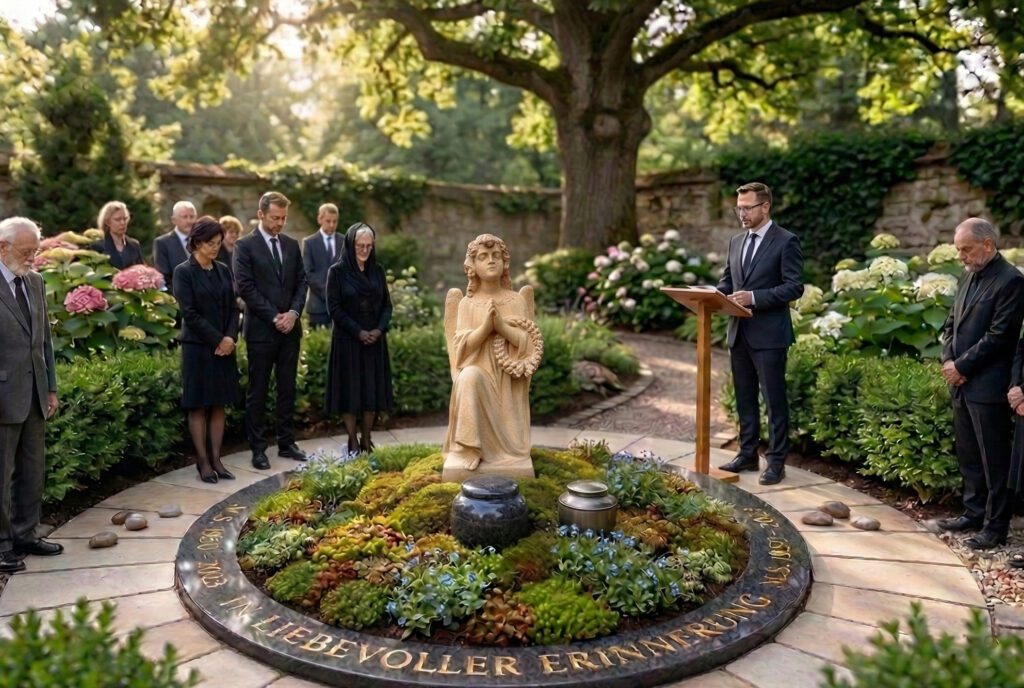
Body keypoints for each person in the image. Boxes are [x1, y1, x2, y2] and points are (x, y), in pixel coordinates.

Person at [939, 217, 1024, 549]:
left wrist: (961, 365)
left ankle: (995, 527)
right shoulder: (967, 272)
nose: (961, 256)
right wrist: (948, 360)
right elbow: (951, 322)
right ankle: (972, 513)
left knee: (994, 460)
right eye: (959, 250)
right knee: (969, 454)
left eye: (966, 249)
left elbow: (1000, 337)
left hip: (988, 384)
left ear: (988, 245)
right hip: (960, 381)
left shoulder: (1012, 281)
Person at [716, 182, 804, 485]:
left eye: (747, 207)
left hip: (769, 336)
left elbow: (794, 287)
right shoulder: (735, 241)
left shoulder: (786, 241)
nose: (742, 213)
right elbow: (729, 281)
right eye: (739, 208)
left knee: (773, 400)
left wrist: (753, 297)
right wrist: (709, 294)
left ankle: (776, 462)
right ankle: (748, 454)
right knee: (744, 398)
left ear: (765, 206)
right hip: (738, 332)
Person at [441, 234, 542, 482]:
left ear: (505, 262)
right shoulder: (467, 304)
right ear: (472, 266)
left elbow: (527, 344)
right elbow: (461, 350)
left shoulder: (515, 301)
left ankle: (507, 451)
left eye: (496, 256)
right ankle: (470, 448)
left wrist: (502, 328)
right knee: (468, 377)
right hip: (480, 376)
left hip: (507, 382)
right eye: (483, 257)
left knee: (472, 378)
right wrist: (486, 328)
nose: (491, 261)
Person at [0, 217, 61, 573]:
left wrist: (50, 386)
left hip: (35, 392)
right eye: (26, 252)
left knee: (32, 470)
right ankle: (2, 545)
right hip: (4, 394)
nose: (32, 258)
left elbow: (44, 342)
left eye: (35, 251)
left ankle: (26, 535)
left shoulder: (35, 282)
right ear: (2, 248)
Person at [233, 191, 308, 469]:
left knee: (287, 388)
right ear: (261, 214)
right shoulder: (245, 246)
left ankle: (287, 443)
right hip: (261, 331)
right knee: (259, 390)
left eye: (284, 218)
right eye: (275, 218)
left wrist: (293, 313)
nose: (279, 223)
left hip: (291, 329)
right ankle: (258, 448)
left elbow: (302, 282)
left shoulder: (290, 245)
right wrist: (274, 316)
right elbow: (245, 287)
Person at [172, 217, 241, 484]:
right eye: (211, 243)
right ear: (197, 242)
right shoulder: (184, 272)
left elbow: (234, 308)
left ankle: (216, 458)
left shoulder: (223, 270)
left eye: (219, 243)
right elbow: (189, 313)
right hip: (199, 348)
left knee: (219, 404)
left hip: (225, 346)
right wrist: (218, 340)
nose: (216, 248)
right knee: (199, 405)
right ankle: (202, 461)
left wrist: (230, 337)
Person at [325, 223, 393, 453]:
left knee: (370, 391)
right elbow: (334, 308)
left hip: (374, 341)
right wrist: (358, 332)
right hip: (348, 341)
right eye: (360, 245)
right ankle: (352, 439)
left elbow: (386, 306)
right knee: (351, 393)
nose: (364, 250)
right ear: (350, 244)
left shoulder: (378, 271)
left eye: (369, 246)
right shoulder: (337, 272)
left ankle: (367, 438)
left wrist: (379, 330)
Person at [303, 203, 343, 328]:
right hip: (318, 307)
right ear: (320, 219)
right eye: (328, 221)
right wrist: (328, 293)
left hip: (342, 307)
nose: (331, 225)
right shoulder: (309, 243)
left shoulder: (344, 241)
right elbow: (308, 273)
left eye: (334, 221)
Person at [153, 201, 196, 296]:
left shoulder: (202, 241)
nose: (189, 221)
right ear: (174, 220)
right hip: (177, 300)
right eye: (184, 217)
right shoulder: (162, 243)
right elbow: (163, 277)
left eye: (192, 217)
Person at [92, 201, 144, 269]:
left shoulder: (134, 245)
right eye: (118, 219)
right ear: (107, 222)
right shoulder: (98, 247)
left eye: (125, 219)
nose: (123, 223)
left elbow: (142, 271)